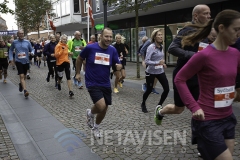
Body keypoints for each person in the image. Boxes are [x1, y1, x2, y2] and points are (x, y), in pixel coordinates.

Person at [174, 9, 240, 160]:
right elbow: (179, 79)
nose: (239, 33)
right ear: (222, 28)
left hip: (229, 118)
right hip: (208, 121)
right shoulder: (204, 55)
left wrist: (236, 92)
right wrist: (194, 106)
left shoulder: (235, 54)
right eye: (236, 29)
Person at [155, 4, 211, 125]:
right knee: (179, 109)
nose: (209, 16)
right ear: (196, 16)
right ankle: (160, 112)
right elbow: (172, 48)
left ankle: (202, 137)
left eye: (209, 13)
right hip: (183, 76)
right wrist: (194, 56)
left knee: (201, 108)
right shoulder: (187, 30)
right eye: (205, 13)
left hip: (198, 77)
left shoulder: (206, 33)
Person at [75, 27, 122, 138]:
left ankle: (96, 127)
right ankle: (90, 113)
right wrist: (77, 73)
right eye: (106, 36)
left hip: (105, 83)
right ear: (100, 36)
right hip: (92, 82)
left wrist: (119, 68)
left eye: (110, 37)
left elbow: (116, 67)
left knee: (104, 108)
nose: (108, 39)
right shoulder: (90, 48)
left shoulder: (112, 50)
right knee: (101, 106)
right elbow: (79, 58)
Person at [141, 29, 169, 113]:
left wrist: (163, 63)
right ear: (154, 37)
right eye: (159, 35)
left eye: (161, 35)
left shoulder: (162, 46)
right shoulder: (151, 47)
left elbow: (161, 58)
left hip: (160, 71)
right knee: (149, 89)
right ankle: (143, 103)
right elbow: (147, 61)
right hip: (150, 72)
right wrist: (157, 63)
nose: (161, 36)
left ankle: (159, 105)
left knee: (167, 89)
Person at [9, 30, 34, 97]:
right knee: (21, 76)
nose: (21, 34)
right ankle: (25, 90)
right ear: (18, 34)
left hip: (26, 61)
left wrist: (32, 53)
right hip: (18, 61)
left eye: (22, 33)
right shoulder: (14, 42)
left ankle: (21, 84)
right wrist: (11, 59)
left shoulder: (27, 42)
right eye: (20, 33)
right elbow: (11, 50)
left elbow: (32, 49)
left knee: (24, 76)